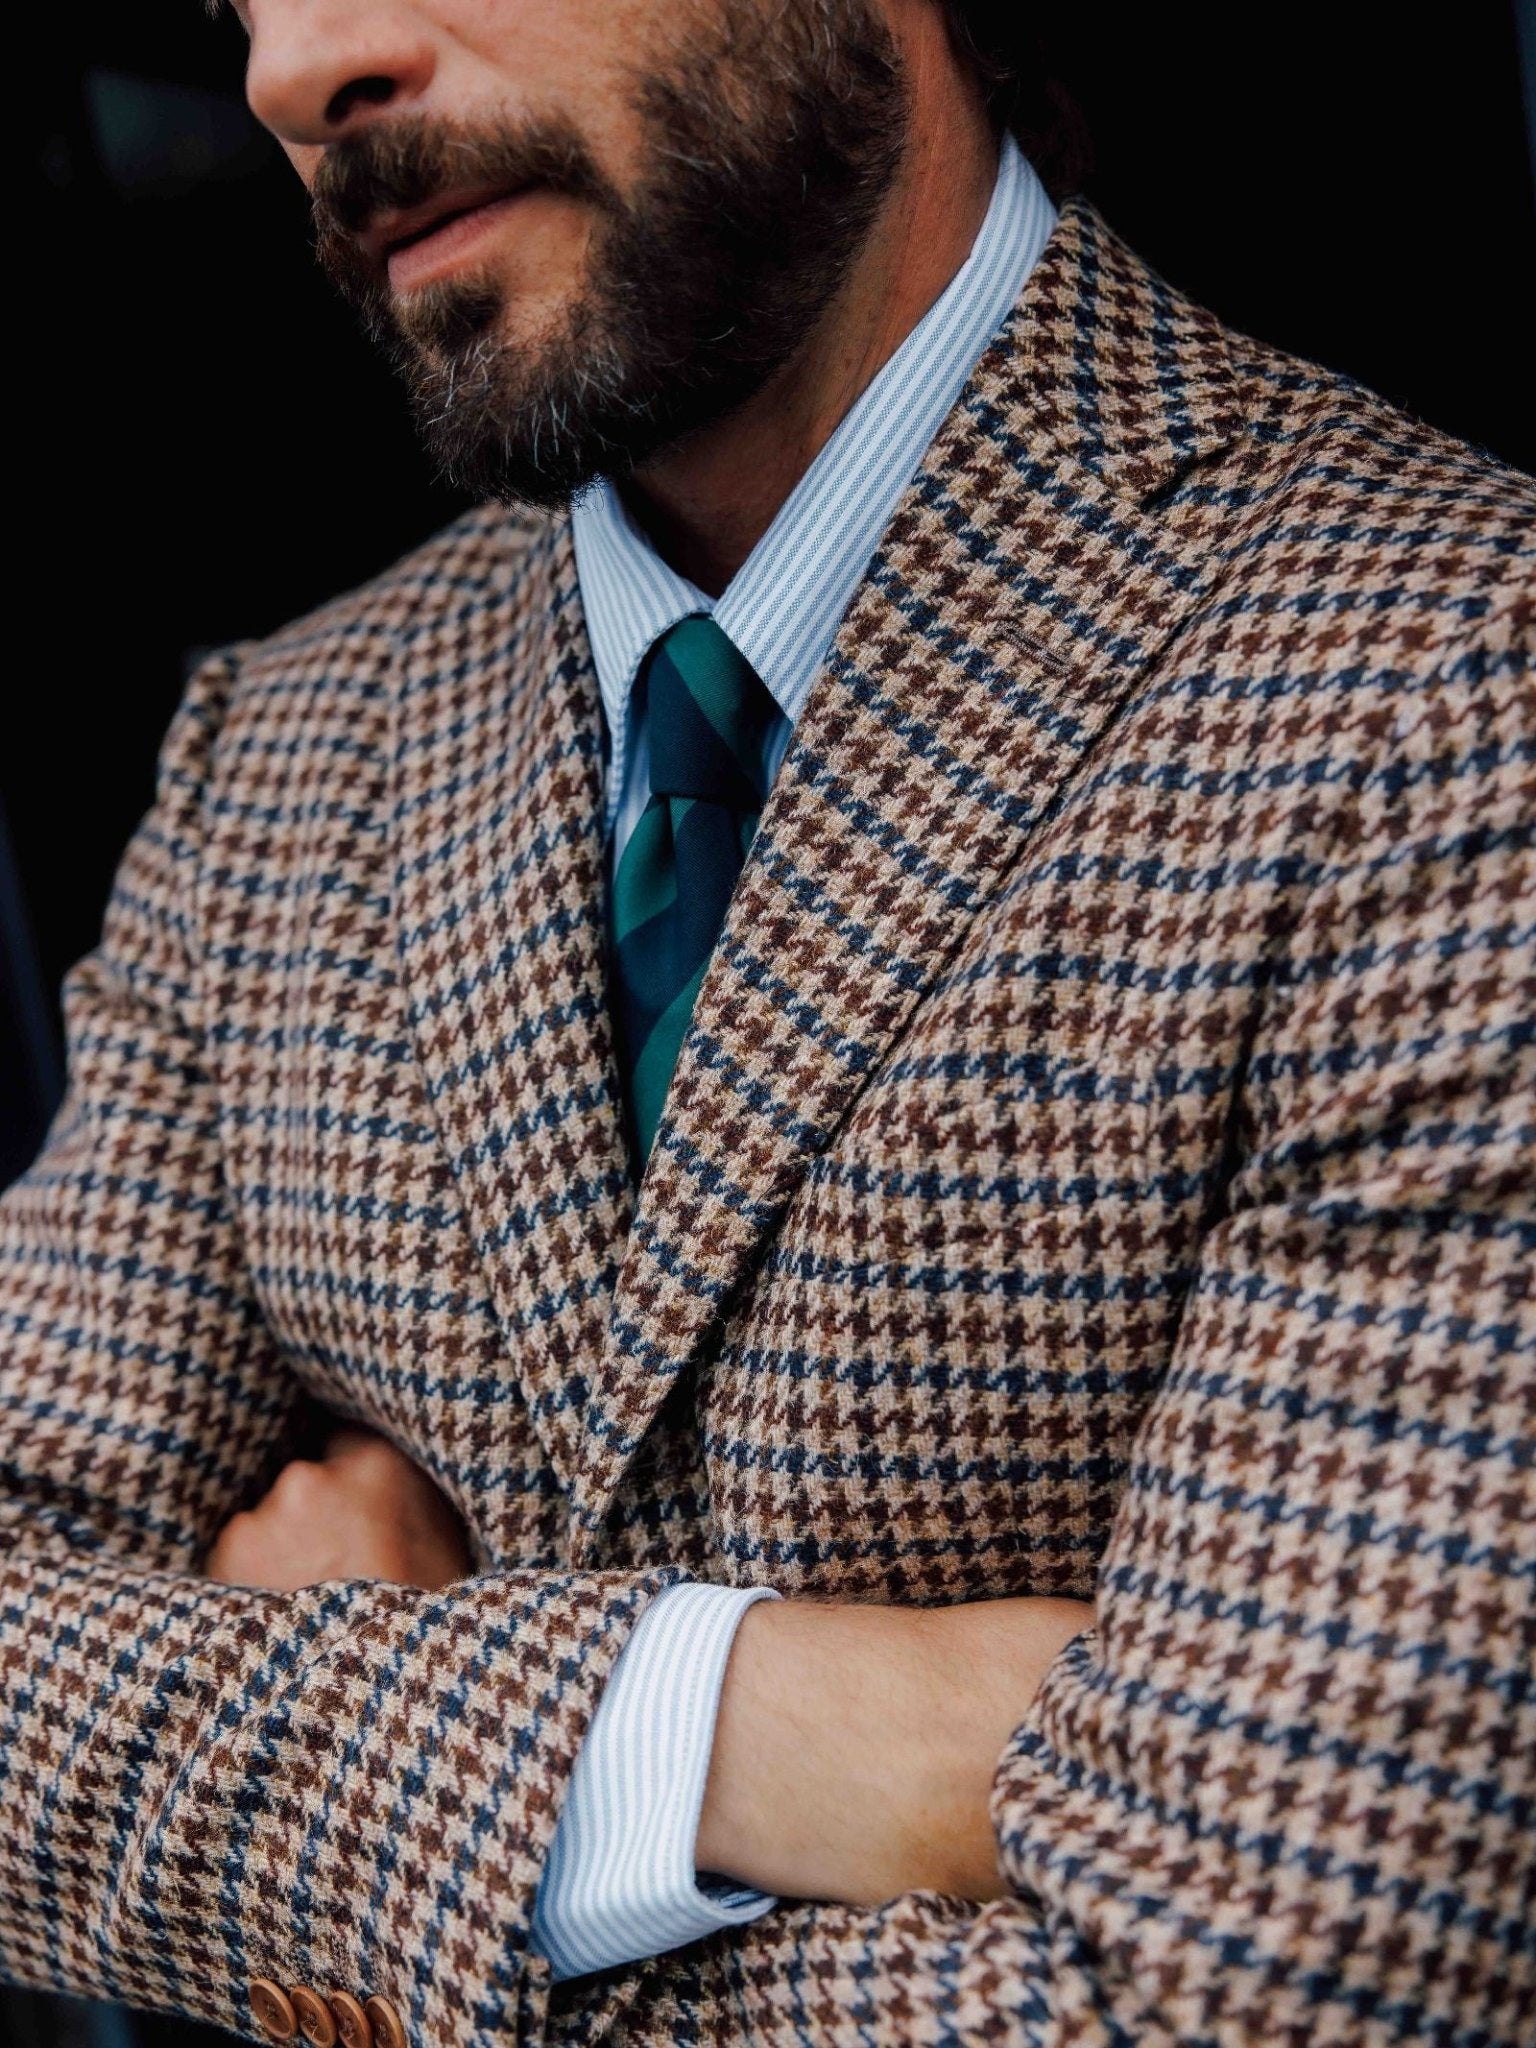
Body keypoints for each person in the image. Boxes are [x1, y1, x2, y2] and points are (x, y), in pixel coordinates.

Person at [1, 2, 1531, 2043]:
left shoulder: (1457, 688)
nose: (295, 72)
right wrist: (734, 1721)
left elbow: (1288, 1991)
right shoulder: (275, 755)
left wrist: (388, 1737)